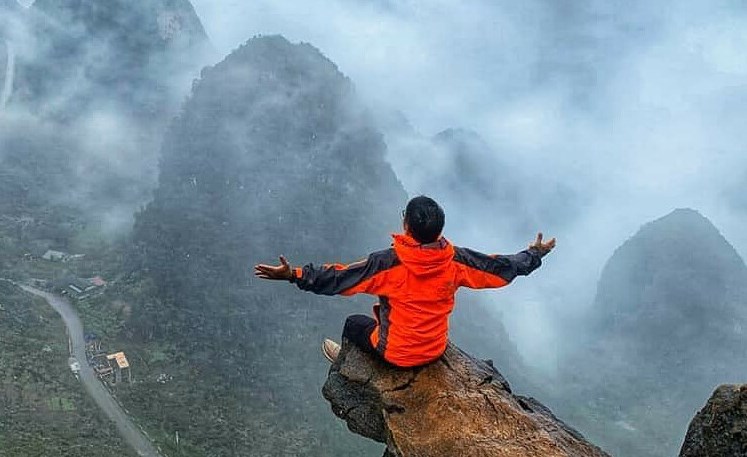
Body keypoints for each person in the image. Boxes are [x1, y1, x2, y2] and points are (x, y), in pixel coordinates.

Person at [254, 195, 555, 368]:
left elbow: (340, 279)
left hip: (397, 354)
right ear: (439, 230)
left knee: (354, 324)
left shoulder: (388, 264)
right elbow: (500, 268)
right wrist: (534, 254)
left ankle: (347, 366)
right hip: (435, 350)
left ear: (406, 226)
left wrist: (293, 275)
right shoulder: (457, 261)